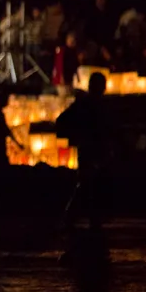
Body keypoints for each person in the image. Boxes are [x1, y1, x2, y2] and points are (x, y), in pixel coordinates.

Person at [57, 72, 112, 228]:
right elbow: (62, 120)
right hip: (91, 150)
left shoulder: (91, 104)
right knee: (88, 185)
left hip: (94, 150)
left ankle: (81, 218)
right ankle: (75, 218)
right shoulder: (89, 104)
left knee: (90, 185)